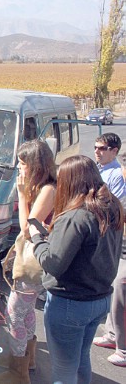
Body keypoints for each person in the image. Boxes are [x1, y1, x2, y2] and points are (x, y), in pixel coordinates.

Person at [30, 155, 124, 383]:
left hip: (70, 303)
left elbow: (53, 263)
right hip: (99, 300)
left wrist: (37, 239)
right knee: (81, 358)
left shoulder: (76, 217)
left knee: (63, 369)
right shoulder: (112, 206)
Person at [0, 140, 56, 384]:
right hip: (31, 257)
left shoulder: (49, 189)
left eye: (22, 163)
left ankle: (18, 370)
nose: (19, 168)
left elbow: (29, 227)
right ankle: (26, 358)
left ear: (35, 165)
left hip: (34, 260)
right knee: (26, 310)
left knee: (15, 312)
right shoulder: (41, 187)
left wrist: (21, 194)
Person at [93, 151, 126, 367]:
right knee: (116, 289)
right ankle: (112, 334)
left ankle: (123, 349)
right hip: (121, 247)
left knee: (122, 292)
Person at [94, 132, 126, 203]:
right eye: (95, 147)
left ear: (114, 151)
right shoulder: (94, 168)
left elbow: (115, 204)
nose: (96, 151)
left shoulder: (118, 175)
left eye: (102, 148)